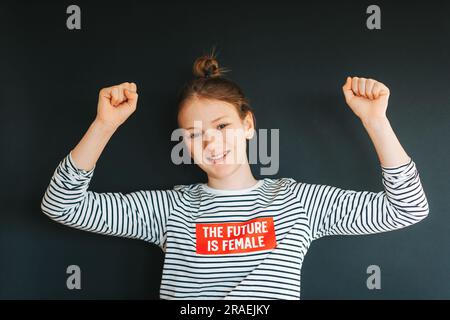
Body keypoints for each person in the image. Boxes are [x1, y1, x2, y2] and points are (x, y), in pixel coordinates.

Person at [41, 50, 429, 300]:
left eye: (222, 126)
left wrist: (376, 122)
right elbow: (62, 207)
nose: (210, 143)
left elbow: (407, 208)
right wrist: (104, 125)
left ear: (248, 125)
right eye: (193, 134)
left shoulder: (298, 202)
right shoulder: (168, 208)